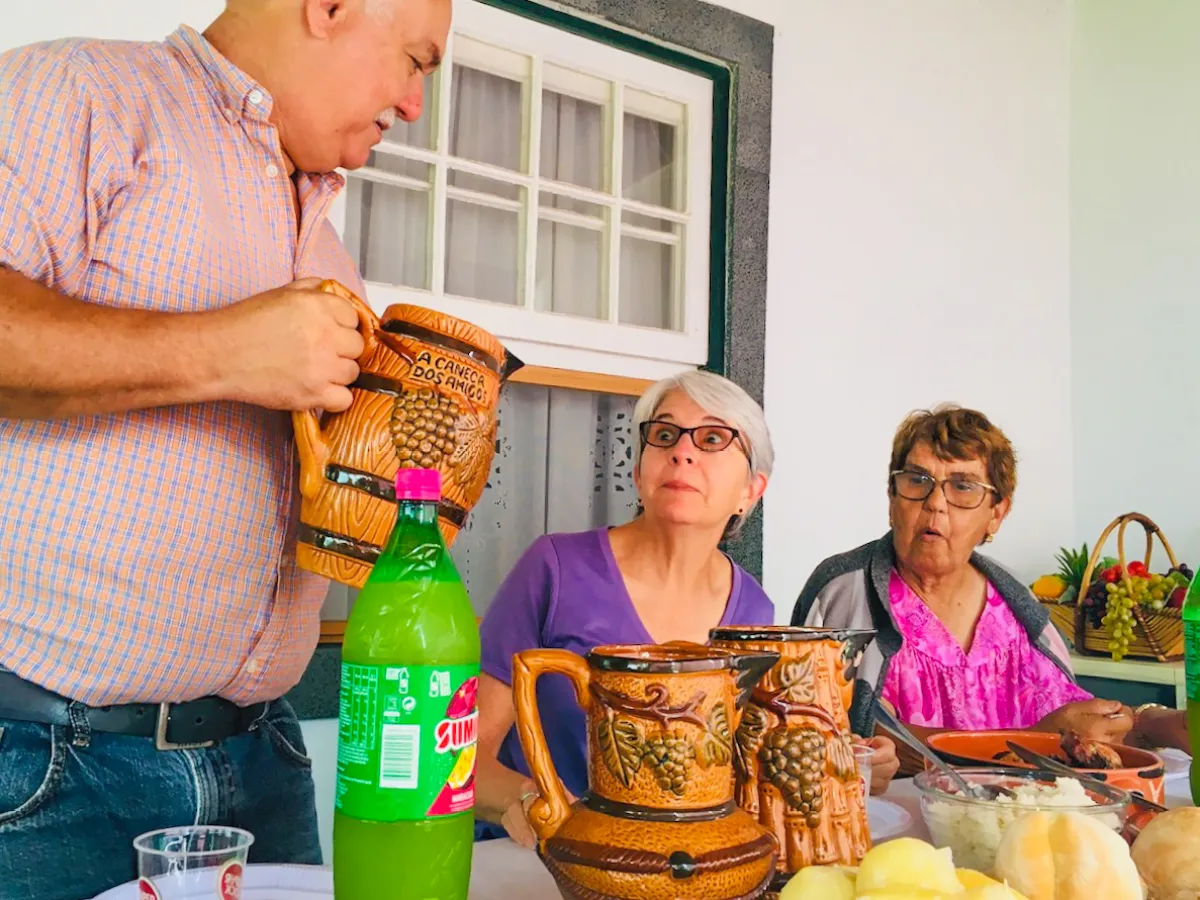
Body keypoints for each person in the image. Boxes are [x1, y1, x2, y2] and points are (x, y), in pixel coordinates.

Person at [0, 1, 450, 898]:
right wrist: (225, 351)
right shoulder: (79, 92)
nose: (413, 104)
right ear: (328, 9)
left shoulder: (323, 239)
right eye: (414, 60)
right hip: (44, 771)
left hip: (265, 759)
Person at [473, 370, 900, 848]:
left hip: (684, 873)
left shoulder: (754, 612)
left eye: (714, 437)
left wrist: (847, 762)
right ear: (638, 472)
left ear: (751, 490)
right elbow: (464, 755)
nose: (682, 450)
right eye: (664, 434)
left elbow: (749, 774)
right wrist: (532, 800)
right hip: (539, 865)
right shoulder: (553, 568)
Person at [790, 404, 1187, 761]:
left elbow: (1074, 719)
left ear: (997, 513)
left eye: (963, 487)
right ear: (892, 498)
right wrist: (1033, 742)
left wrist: (1158, 724)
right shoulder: (845, 589)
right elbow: (832, 730)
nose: (935, 502)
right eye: (916, 480)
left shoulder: (1014, 602)